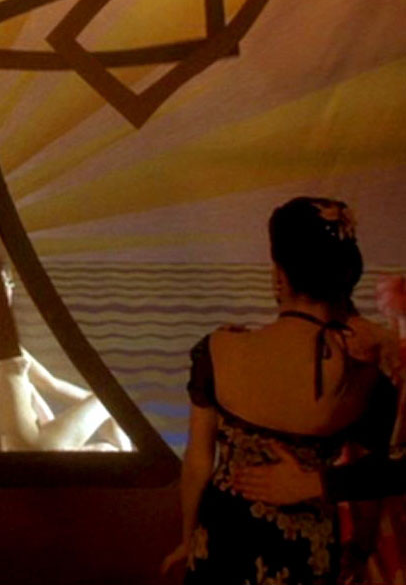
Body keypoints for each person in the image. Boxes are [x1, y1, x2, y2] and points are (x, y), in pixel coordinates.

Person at [161, 197, 400, 584]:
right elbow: (371, 481)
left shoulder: (219, 348)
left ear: (279, 274)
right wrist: (361, 546)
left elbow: (198, 462)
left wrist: (188, 539)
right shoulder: (366, 372)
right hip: (307, 547)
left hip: (223, 539)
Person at [0, 265, 130, 452]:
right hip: (35, 444)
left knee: (108, 447)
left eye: (8, 282)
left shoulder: (4, 339)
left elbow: (51, 383)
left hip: (35, 444)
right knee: (110, 400)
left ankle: (128, 453)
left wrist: (89, 398)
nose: (5, 289)